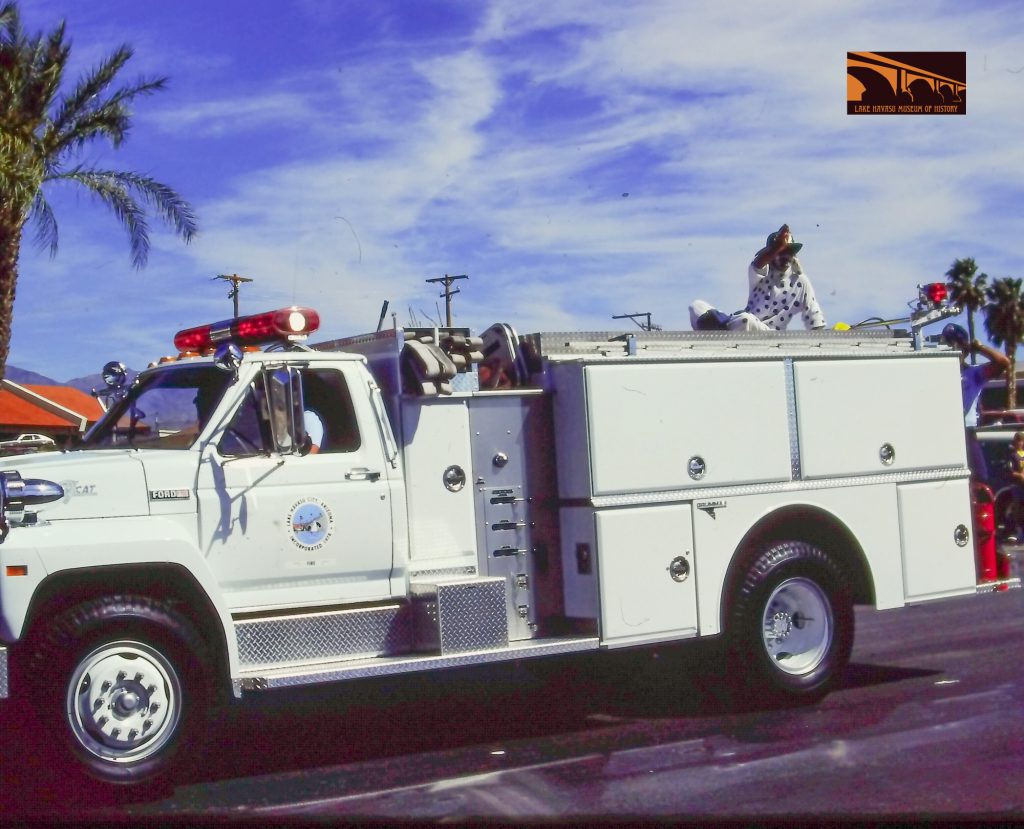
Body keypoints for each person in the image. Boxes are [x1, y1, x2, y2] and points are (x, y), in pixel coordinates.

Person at [690, 224, 827, 332]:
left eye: (787, 253)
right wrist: (776, 249)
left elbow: (814, 313)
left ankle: (722, 328)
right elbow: (759, 263)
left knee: (746, 320)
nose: (784, 257)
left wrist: (823, 339)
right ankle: (720, 329)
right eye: (779, 253)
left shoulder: (800, 282)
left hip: (765, 332)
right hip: (736, 322)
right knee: (696, 306)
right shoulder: (762, 276)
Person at [942, 322, 1010, 479]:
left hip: (967, 432)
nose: (951, 349)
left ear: (964, 349)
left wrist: (979, 348)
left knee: (980, 478)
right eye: (947, 344)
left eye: (955, 345)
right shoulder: (933, 372)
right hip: (943, 432)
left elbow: (1003, 362)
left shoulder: (974, 373)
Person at [1005, 431, 1024, 542]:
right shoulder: (1013, 455)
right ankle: (1019, 531)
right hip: (1018, 486)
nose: (1020, 443)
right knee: (1018, 509)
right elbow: (1010, 471)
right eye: (1018, 441)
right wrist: (1020, 475)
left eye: (1021, 441)